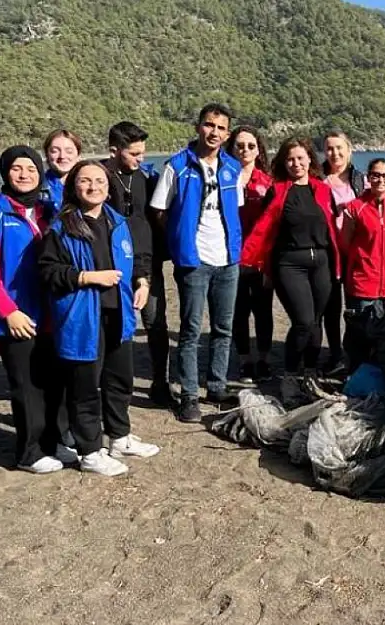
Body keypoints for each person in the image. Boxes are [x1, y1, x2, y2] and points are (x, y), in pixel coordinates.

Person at [39, 160, 161, 476]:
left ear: (109, 188)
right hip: (82, 319)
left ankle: (119, 437)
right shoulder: (61, 227)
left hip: (119, 314)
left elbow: (135, 262)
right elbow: (49, 272)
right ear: (73, 187)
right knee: (84, 388)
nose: (94, 186)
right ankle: (90, 452)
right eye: (85, 181)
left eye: (100, 180)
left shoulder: (119, 223)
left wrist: (142, 283)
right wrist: (87, 277)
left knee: (119, 382)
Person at [0, 146, 69, 473]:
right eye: (16, 168)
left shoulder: (48, 210)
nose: (24, 174)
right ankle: (29, 453)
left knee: (55, 382)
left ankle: (54, 443)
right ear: (5, 173)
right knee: (27, 386)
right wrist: (8, 312)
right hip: (15, 317)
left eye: (31, 168)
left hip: (51, 313)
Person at [150, 103, 243, 423]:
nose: (214, 132)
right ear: (198, 127)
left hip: (228, 260)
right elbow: (160, 210)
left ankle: (216, 386)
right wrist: (180, 239)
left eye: (220, 128)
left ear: (227, 133)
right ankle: (189, 395)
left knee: (223, 328)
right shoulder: (176, 166)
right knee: (190, 329)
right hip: (193, 261)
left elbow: (233, 210)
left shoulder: (232, 167)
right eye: (209, 125)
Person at [240, 138, 341, 403]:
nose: (296, 164)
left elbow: (332, 229)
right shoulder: (278, 190)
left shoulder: (322, 190)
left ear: (310, 159)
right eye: (290, 159)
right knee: (303, 321)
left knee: (316, 322)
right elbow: (264, 229)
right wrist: (254, 261)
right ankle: (290, 375)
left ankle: (310, 374)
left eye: (300, 158)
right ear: (284, 163)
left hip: (321, 261)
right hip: (290, 262)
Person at [100, 121, 172, 405]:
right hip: (111, 265)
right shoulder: (99, 178)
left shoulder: (146, 179)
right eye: (134, 154)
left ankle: (160, 381)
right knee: (113, 324)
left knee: (155, 324)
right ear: (114, 150)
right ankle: (110, 383)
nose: (141, 159)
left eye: (143, 153)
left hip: (147, 263)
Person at [340, 158, 385, 371]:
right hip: (363, 284)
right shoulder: (355, 208)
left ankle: (382, 382)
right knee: (360, 338)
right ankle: (356, 378)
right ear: (368, 178)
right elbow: (345, 243)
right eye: (375, 175)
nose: (380, 180)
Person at [226, 126, 275, 384]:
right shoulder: (223, 178)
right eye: (240, 145)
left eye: (250, 145)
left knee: (263, 311)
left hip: (260, 259)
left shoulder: (268, 183)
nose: (245, 150)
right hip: (231, 257)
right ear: (231, 148)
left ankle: (265, 359)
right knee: (239, 312)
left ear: (259, 149)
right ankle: (245, 361)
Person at [320, 131, 366, 375]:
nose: (335, 153)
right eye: (329, 149)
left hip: (353, 252)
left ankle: (354, 354)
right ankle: (334, 352)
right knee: (330, 306)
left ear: (349, 150)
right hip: (326, 251)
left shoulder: (360, 180)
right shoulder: (317, 179)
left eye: (339, 148)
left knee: (354, 306)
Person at [42, 129, 83, 216]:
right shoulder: (38, 188)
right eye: (55, 151)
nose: (62, 156)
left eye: (69, 151)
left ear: (78, 155)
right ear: (46, 155)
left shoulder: (91, 185)